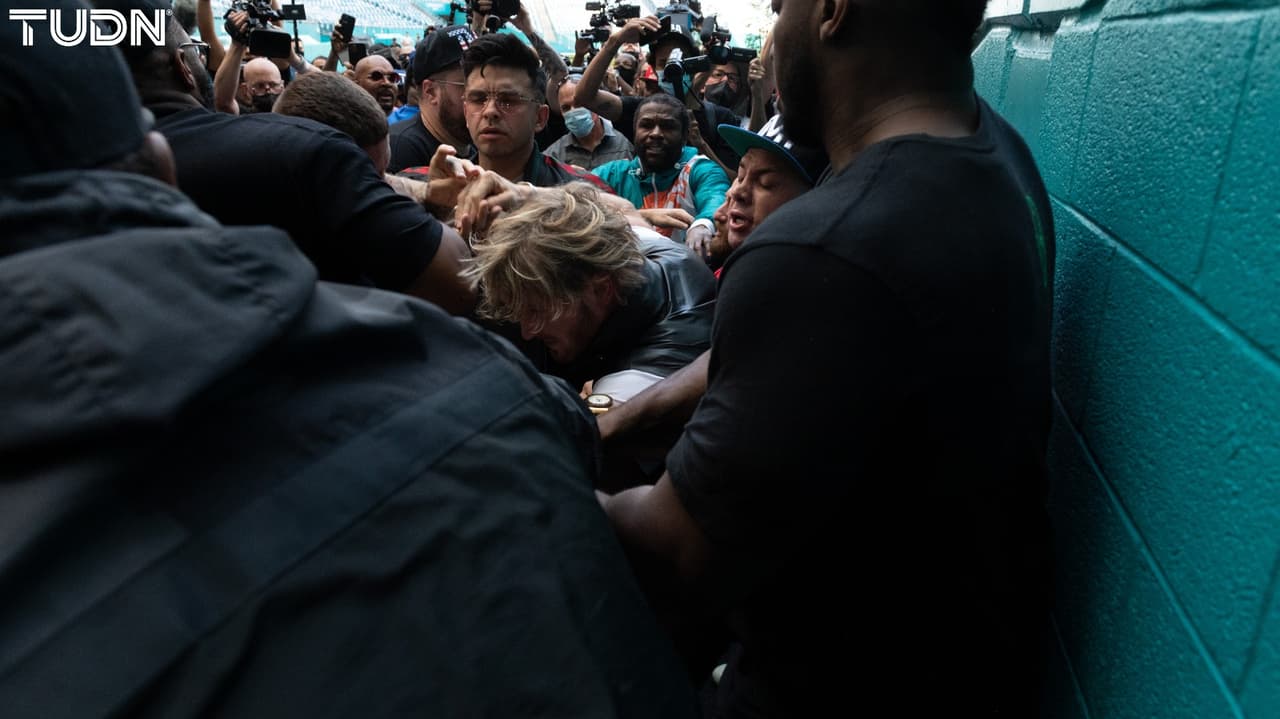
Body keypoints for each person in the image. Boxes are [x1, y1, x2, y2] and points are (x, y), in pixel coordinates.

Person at [0, 5, 700, 717]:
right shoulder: (475, 373)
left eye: (508, 98)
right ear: (164, 164)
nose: (525, 321)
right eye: (477, 96)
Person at [600, 0, 1057, 716]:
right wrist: (632, 413)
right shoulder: (991, 150)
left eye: (782, 7)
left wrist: (526, 452)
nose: (774, 34)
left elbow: (676, 554)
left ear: (834, 11)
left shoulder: (828, 243)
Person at [106, 0, 474, 315]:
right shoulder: (303, 151)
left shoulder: (76, 178)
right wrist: (434, 206)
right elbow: (457, 278)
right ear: (183, 68)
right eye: (197, 50)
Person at [461, 184, 715, 391]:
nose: (528, 330)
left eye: (538, 311)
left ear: (601, 290)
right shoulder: (640, 243)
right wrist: (523, 192)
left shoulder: (639, 380)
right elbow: (622, 208)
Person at [574, 15, 742, 172]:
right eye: (664, 63)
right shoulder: (639, 111)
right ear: (654, 68)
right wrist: (615, 41)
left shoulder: (722, 120)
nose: (673, 69)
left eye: (679, 60)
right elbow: (583, 97)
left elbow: (734, 179)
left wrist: (701, 146)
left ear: (694, 64)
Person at [460, 32, 612, 189]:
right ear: (465, 112)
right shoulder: (438, 191)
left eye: (508, 101)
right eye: (478, 99)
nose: (490, 111)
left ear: (540, 117)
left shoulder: (587, 194)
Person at [592, 93, 730, 252]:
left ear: (685, 135)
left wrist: (703, 225)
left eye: (668, 126)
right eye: (646, 125)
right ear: (635, 131)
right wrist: (642, 216)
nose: (656, 133)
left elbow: (716, 198)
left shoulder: (700, 169)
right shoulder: (614, 173)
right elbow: (573, 203)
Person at [388, 24, 477, 173]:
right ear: (431, 92)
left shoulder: (472, 142)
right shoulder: (401, 149)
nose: (483, 97)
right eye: (469, 85)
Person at [545, 74, 634, 171]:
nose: (573, 111)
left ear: (596, 103)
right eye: (566, 108)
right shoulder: (553, 156)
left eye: (579, 104)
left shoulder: (627, 144)